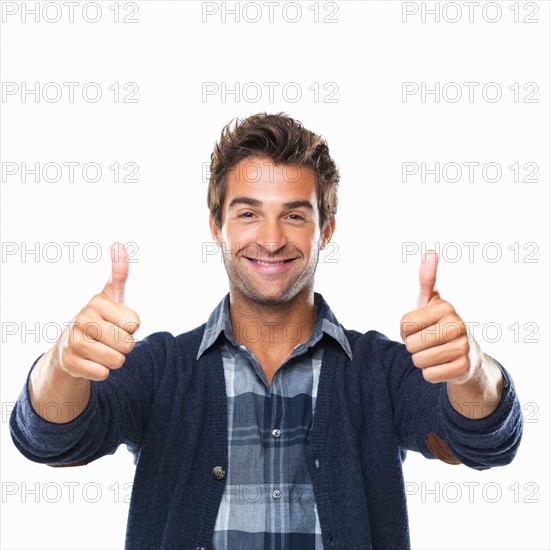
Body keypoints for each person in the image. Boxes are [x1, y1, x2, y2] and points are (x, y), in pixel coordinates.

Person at [10, 112, 523, 550]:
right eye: (249, 213)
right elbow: (50, 440)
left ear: (327, 229)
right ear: (217, 226)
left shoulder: (379, 371)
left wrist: (473, 371)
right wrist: (62, 364)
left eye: (295, 215)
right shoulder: (162, 368)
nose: (271, 239)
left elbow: (485, 443)